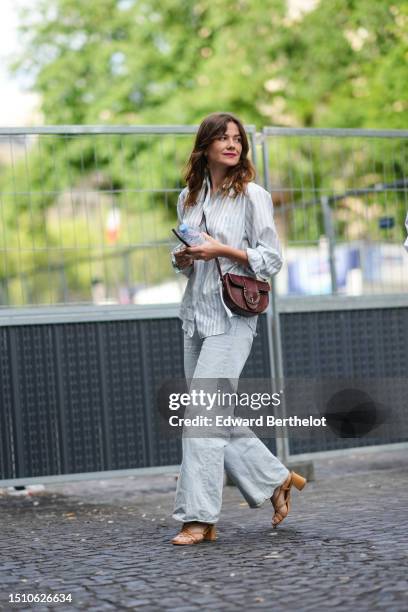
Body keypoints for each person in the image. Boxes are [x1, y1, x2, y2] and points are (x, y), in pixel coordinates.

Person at [170, 112, 306, 546]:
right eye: (222, 138)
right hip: (196, 316)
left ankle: (199, 519)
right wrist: (184, 258)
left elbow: (272, 259)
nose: (232, 144)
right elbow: (189, 261)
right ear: (205, 145)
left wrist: (222, 250)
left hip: (233, 317)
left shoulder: (253, 195)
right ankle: (276, 479)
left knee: (201, 419)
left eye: (237, 139)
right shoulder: (187, 199)